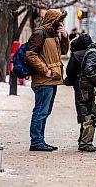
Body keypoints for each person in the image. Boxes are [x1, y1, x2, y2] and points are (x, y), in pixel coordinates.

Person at [26, 9, 69, 151]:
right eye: (59, 20)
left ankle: (40, 139)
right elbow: (31, 54)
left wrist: (64, 36)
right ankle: (36, 140)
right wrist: (45, 70)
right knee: (41, 110)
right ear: (53, 20)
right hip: (44, 79)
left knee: (46, 110)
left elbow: (63, 51)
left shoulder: (53, 34)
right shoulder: (40, 33)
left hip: (53, 78)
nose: (61, 23)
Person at [65, 33, 94, 147]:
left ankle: (82, 135)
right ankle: (86, 138)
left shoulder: (76, 54)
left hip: (79, 84)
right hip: (92, 85)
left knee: (82, 108)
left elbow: (69, 72)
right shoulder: (93, 53)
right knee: (91, 110)